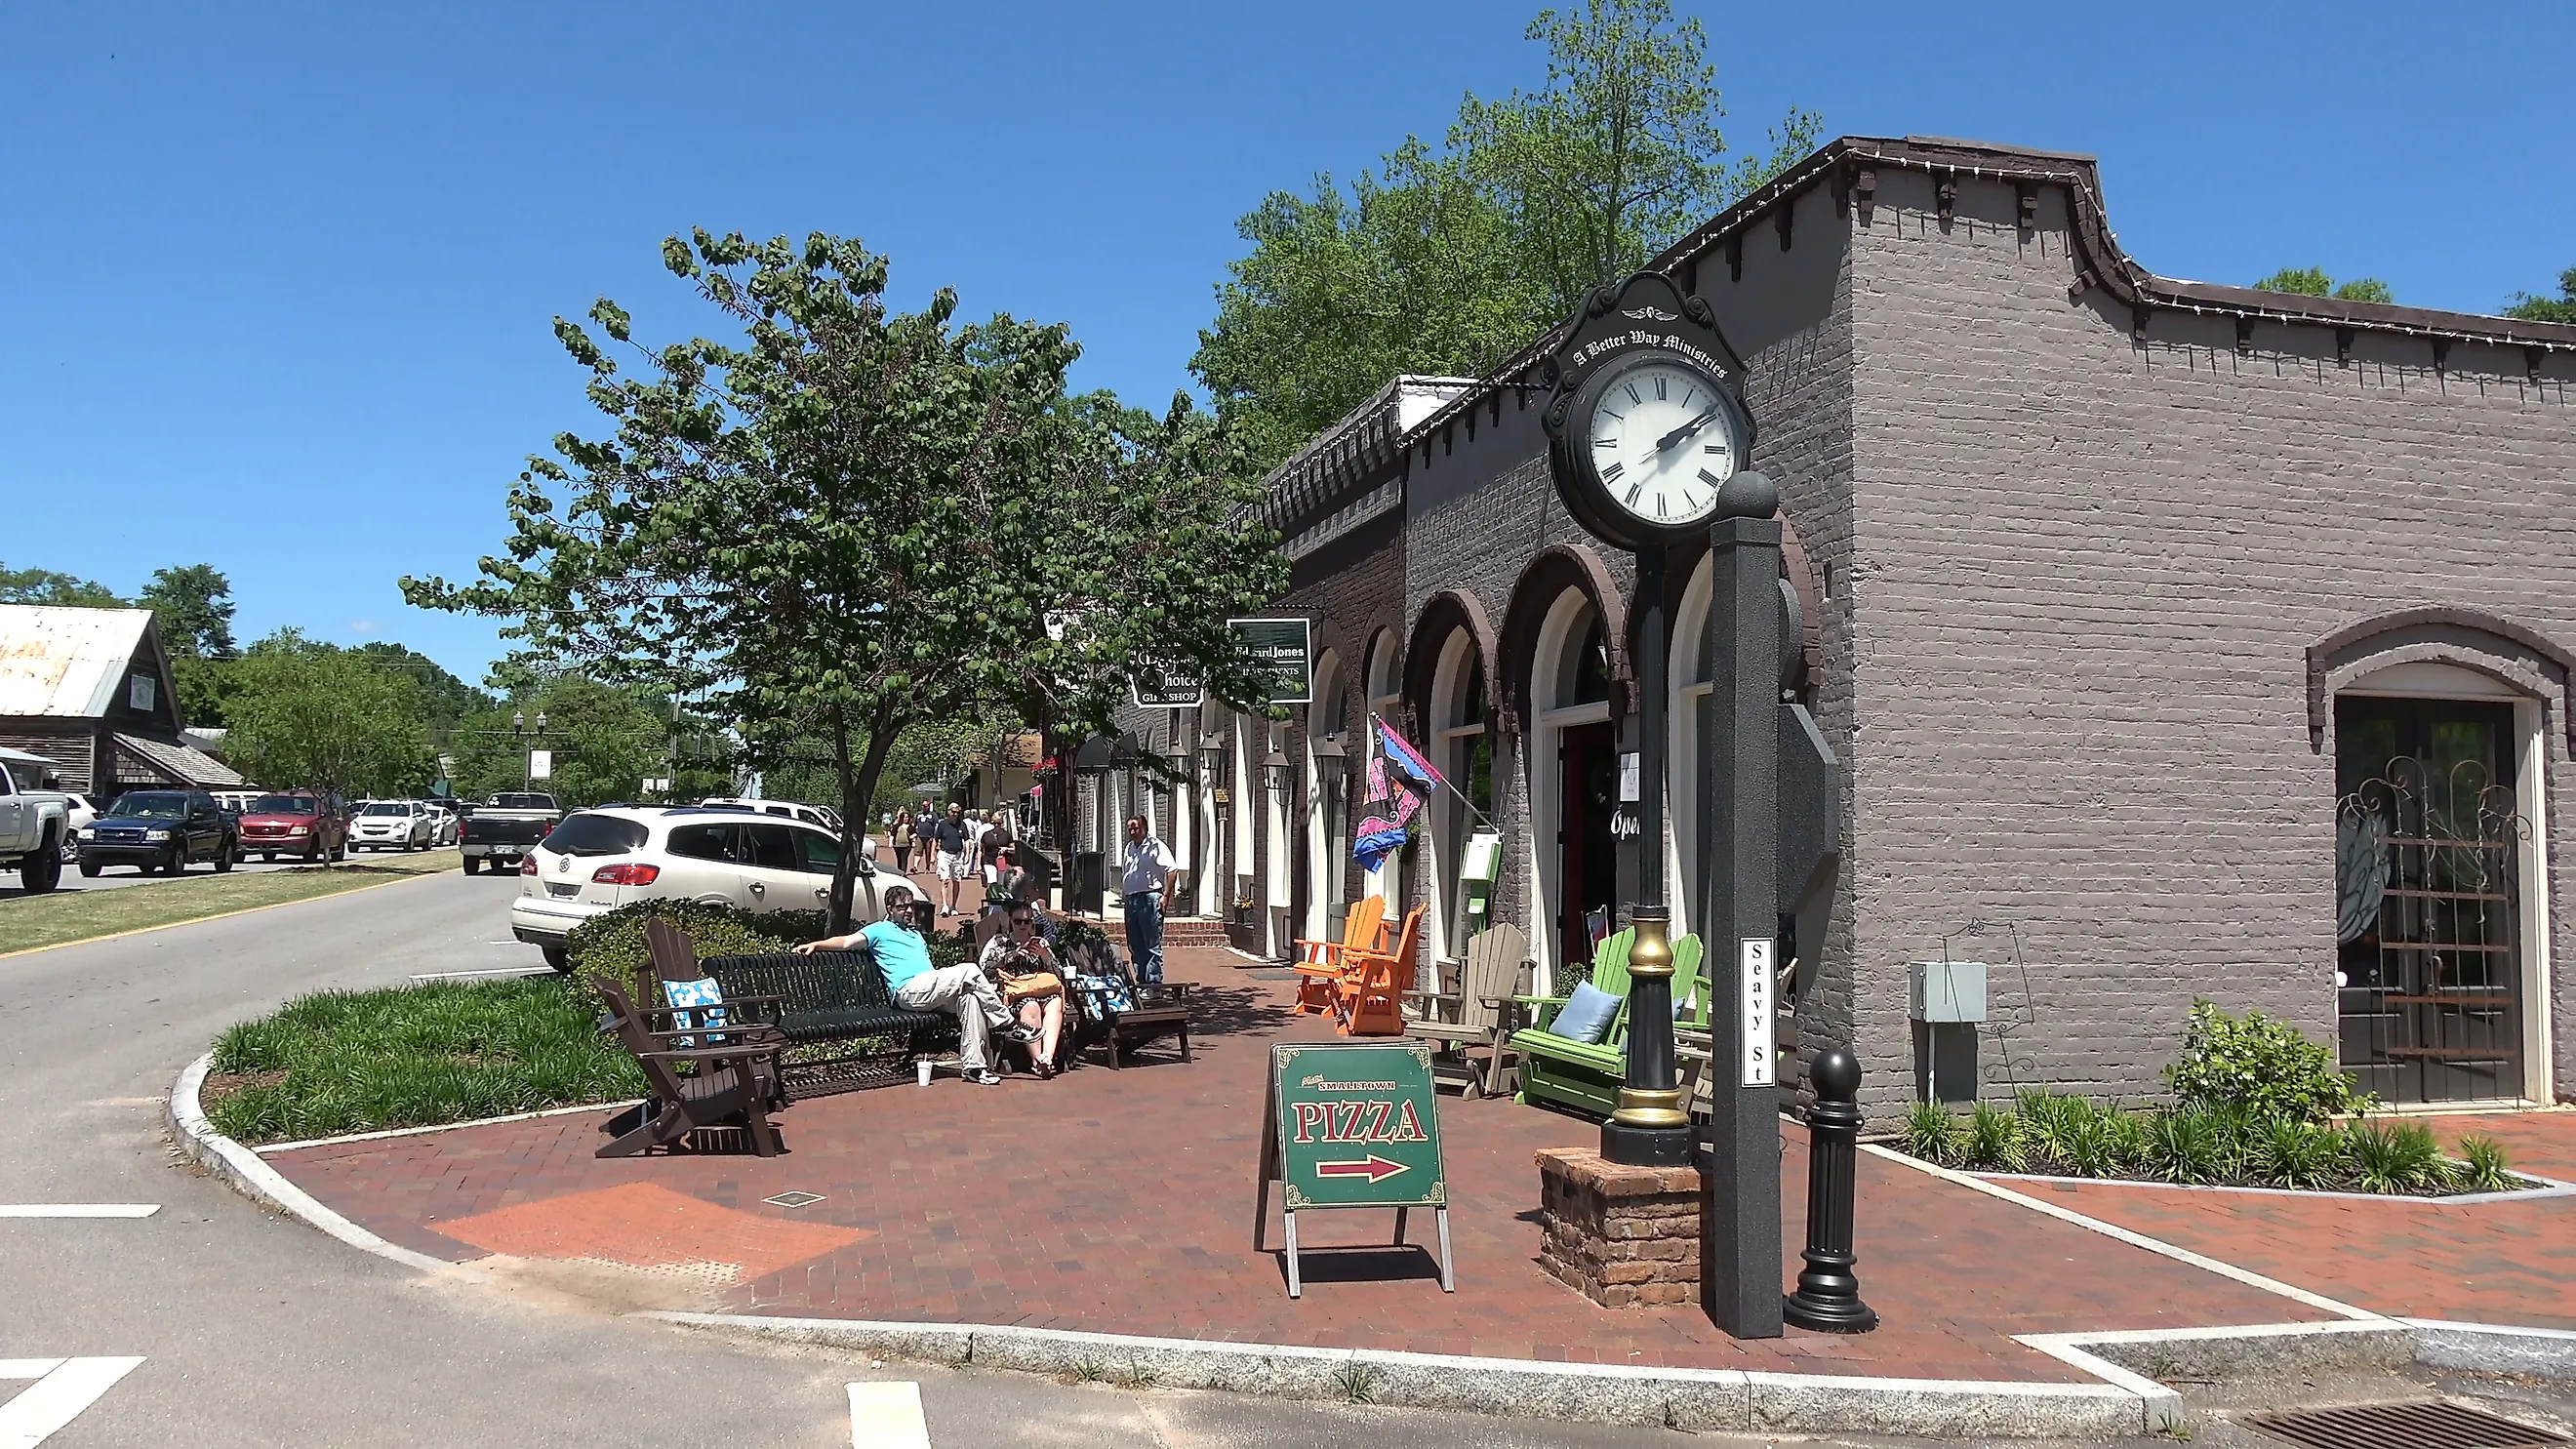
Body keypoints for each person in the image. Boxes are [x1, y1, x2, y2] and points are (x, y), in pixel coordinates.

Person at [794, 892, 1025, 1086]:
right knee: (970, 970)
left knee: (970, 998)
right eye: (901, 906)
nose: (908, 911)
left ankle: (974, 1067)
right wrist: (816, 944)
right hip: (907, 991)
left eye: (910, 906)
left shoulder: (915, 934)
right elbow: (845, 942)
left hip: (927, 989)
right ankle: (1008, 1024)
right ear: (889, 908)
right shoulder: (878, 930)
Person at [979, 901, 1067, 1076]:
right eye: (1018, 921)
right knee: (1031, 1006)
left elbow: (1059, 974)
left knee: (1055, 1003)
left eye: (1027, 922)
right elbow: (983, 971)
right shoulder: (999, 942)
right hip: (1014, 996)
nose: (1022, 925)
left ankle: (1046, 1058)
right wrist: (1008, 957)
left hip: (1042, 991)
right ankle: (1037, 1062)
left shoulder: (1039, 943)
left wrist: (1046, 956)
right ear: (1010, 921)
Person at [1117, 813, 1178, 986]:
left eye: (1135, 828)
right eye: (1130, 829)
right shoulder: (1129, 847)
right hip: (1131, 900)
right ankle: (1141, 981)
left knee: (1152, 944)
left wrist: (1166, 896)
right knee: (1135, 944)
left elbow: (1172, 870)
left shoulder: (1156, 846)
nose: (1132, 831)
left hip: (1150, 898)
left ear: (1144, 828)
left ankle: (1153, 985)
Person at [930, 802, 976, 917]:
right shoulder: (942, 824)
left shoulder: (962, 825)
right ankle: (944, 905)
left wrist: (967, 855)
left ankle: (953, 906)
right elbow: (935, 839)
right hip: (944, 854)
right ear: (948, 812)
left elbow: (967, 840)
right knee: (945, 880)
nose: (955, 814)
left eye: (957, 812)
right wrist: (932, 855)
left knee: (956, 881)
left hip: (958, 855)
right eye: (953, 812)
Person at [911, 800, 938, 874]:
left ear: (929, 807)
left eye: (926, 806)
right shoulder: (918, 814)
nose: (924, 807)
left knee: (928, 853)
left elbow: (936, 825)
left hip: (929, 837)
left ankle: (927, 867)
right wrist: (914, 833)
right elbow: (914, 824)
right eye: (923, 806)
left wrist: (935, 836)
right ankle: (915, 867)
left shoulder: (933, 815)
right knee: (917, 852)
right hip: (919, 836)